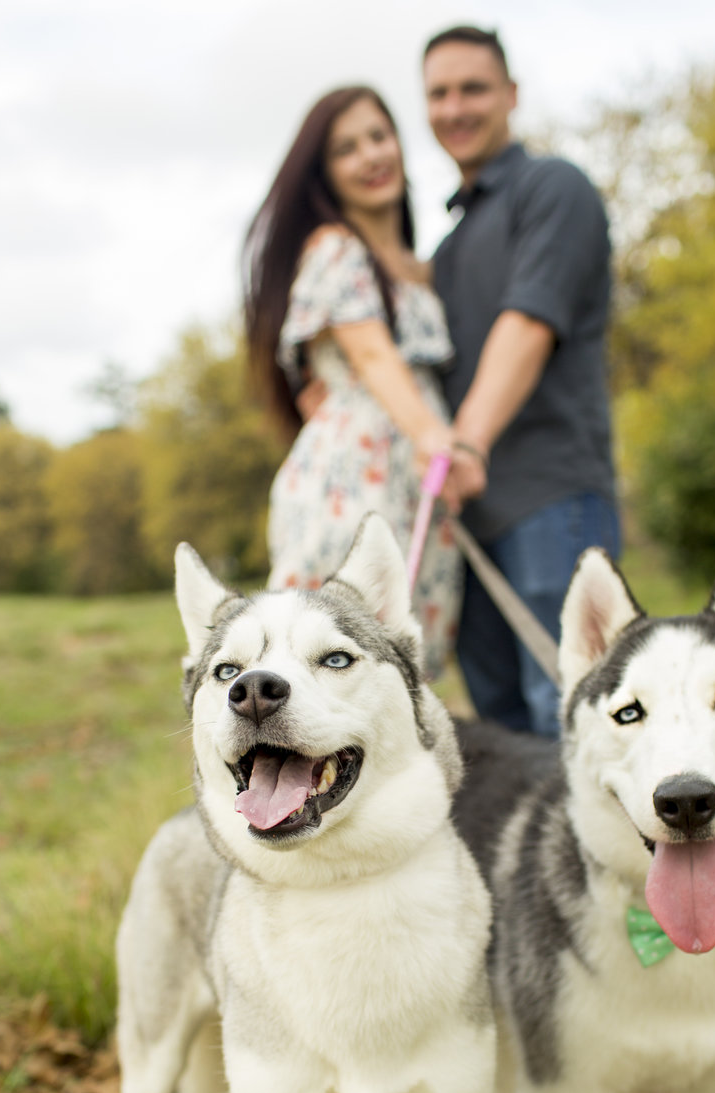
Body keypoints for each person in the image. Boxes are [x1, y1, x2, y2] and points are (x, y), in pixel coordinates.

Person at [423, 25, 621, 736]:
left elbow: (527, 324)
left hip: (551, 499)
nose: (456, 107)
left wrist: (466, 446)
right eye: (439, 94)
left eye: (473, 88)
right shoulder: (444, 248)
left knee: (567, 713)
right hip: (468, 524)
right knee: (504, 732)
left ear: (511, 95)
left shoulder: (553, 189)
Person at [243, 86, 473, 678]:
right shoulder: (336, 247)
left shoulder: (420, 269)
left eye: (378, 136)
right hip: (356, 477)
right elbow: (370, 354)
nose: (371, 156)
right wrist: (433, 437)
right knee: (326, 652)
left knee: (394, 666)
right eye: (347, 149)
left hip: (415, 479)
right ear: (325, 176)